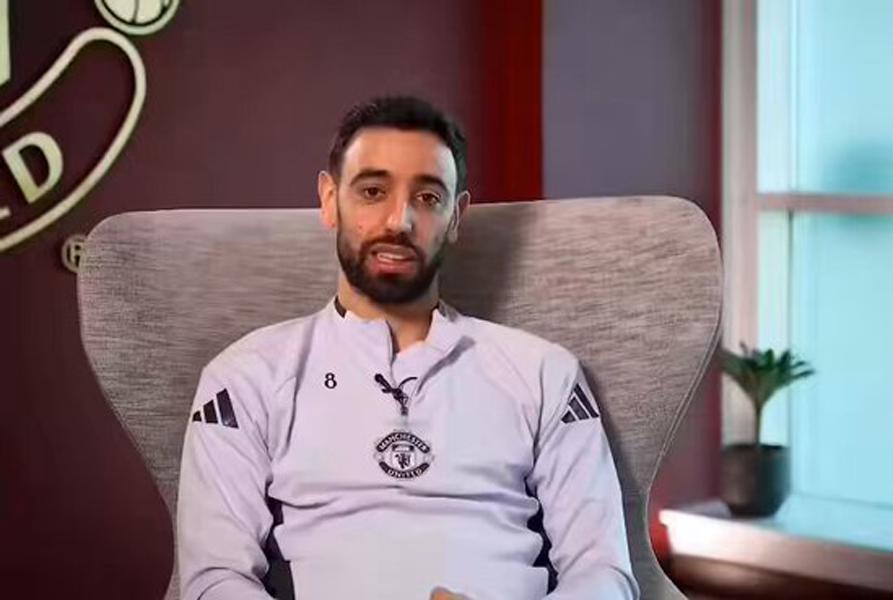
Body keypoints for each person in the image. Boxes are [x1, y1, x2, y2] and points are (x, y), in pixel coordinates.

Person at [176, 96, 640, 600]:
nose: (399, 220)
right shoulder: (247, 377)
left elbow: (604, 573)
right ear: (330, 200)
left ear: (456, 216)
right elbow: (214, 579)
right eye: (373, 191)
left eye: (428, 197)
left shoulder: (544, 373)